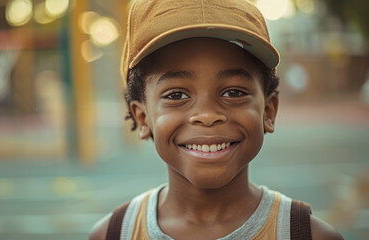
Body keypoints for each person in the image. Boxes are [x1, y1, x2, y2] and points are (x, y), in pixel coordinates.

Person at [90, 0, 343, 239]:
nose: (208, 115)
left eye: (233, 92)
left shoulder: (306, 235)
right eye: (176, 95)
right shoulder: (113, 234)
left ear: (268, 111)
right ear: (143, 118)